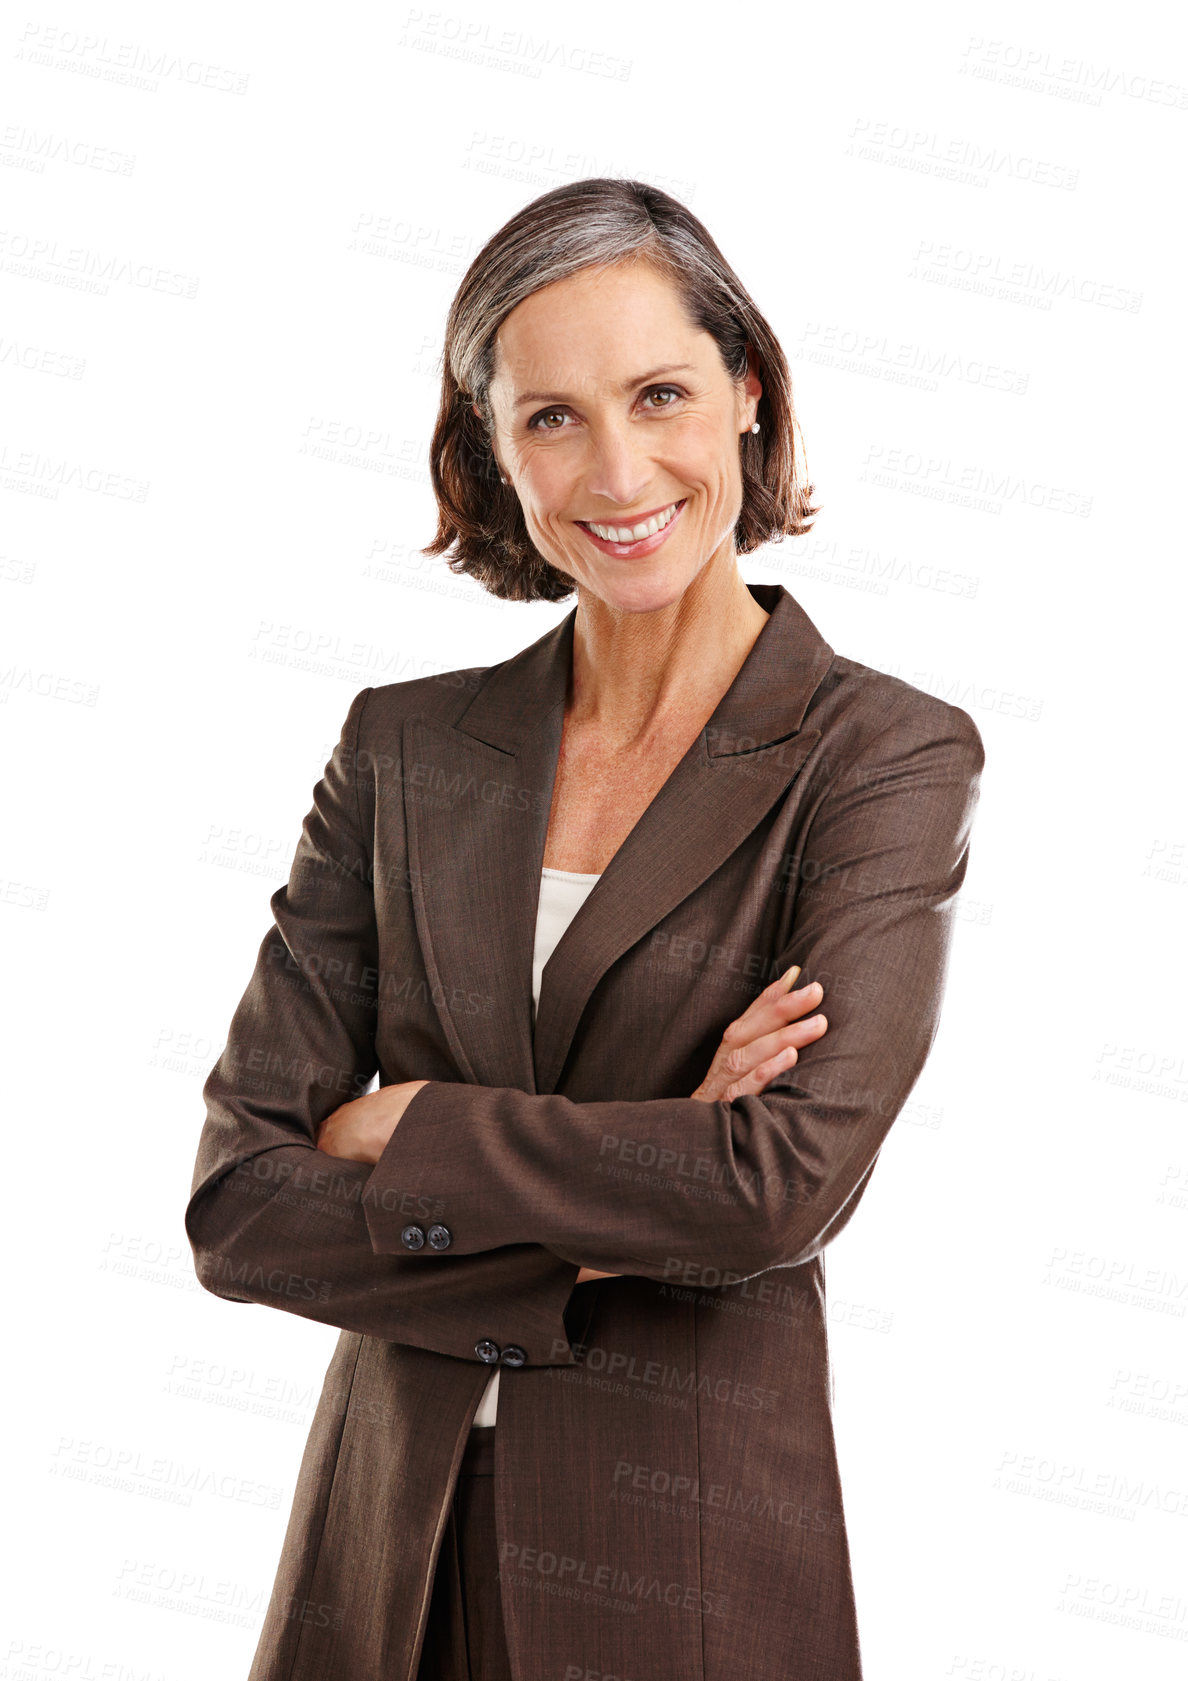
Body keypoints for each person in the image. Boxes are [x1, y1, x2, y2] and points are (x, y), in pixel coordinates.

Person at [186, 177, 984, 1681]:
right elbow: (240, 1202)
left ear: (749, 393)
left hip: (681, 1571)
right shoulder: (405, 749)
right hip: (378, 1570)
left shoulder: (879, 755)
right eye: (550, 416)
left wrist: (405, 1124)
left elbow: (772, 1187)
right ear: (493, 449)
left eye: (661, 393)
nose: (616, 470)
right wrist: (627, 1195)